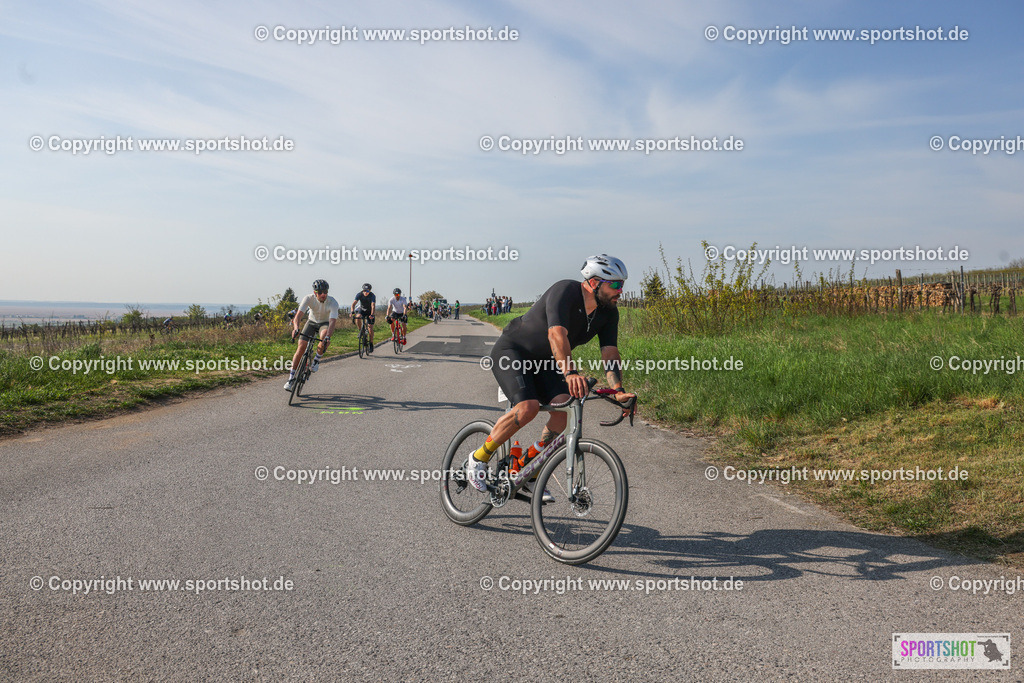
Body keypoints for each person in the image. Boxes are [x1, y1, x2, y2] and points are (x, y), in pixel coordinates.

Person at [466, 255, 636, 503]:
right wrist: (569, 373)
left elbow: (609, 352)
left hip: (544, 362)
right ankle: (478, 458)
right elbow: (556, 334)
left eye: (623, 285)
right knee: (528, 408)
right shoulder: (565, 291)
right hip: (512, 351)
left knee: (564, 411)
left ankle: (527, 467)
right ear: (594, 282)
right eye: (616, 285)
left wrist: (618, 390)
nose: (621, 291)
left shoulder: (609, 313)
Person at [285, 280, 339, 390]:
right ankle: (291, 379)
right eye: (320, 292)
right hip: (311, 322)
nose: (323, 294)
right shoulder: (308, 298)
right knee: (301, 348)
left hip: (324, 323)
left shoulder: (333, 302)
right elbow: (298, 316)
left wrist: (328, 336)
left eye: (325, 292)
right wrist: (296, 328)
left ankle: (316, 360)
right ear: (315, 293)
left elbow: (332, 322)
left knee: (323, 337)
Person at [352, 283, 377, 352]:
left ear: (370, 291)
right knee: (358, 317)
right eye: (364, 291)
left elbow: (373, 306)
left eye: (367, 291)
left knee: (370, 327)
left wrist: (372, 314)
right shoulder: (359, 294)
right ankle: (361, 331)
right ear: (362, 290)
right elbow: (353, 304)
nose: (366, 292)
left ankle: (371, 343)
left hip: (370, 311)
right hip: (362, 309)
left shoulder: (372, 296)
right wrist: (352, 312)